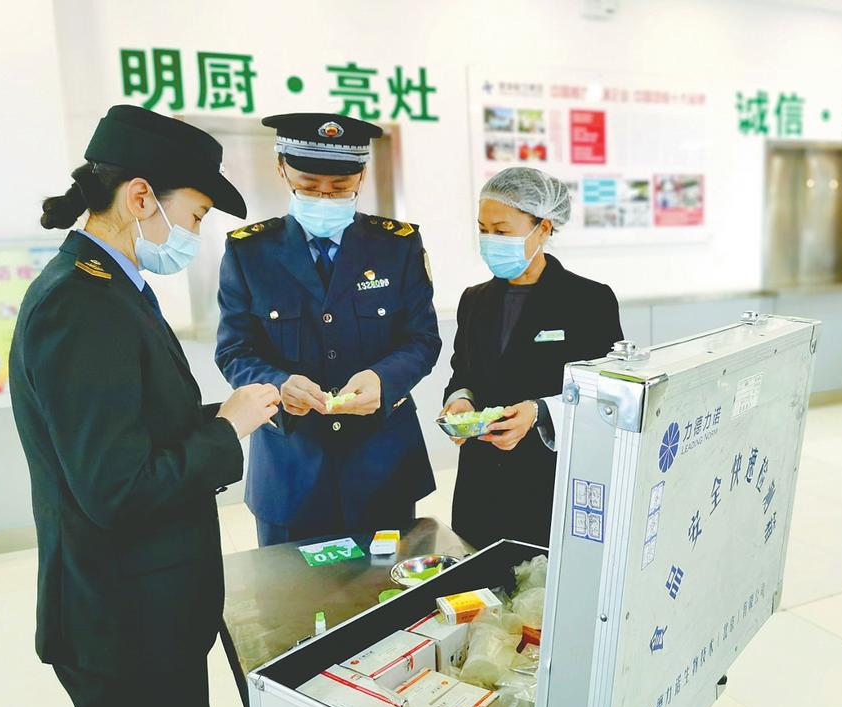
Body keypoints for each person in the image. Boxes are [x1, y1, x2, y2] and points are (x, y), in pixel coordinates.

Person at [9, 105, 281, 707]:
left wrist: (234, 411)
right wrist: (226, 432)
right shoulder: (81, 304)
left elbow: (134, 427)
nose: (195, 233)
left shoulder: (113, 288)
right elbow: (117, 487)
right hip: (122, 625)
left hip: (148, 612)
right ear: (140, 198)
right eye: (196, 215)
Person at [216, 113, 441, 547]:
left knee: (388, 583)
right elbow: (234, 350)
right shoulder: (250, 252)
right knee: (290, 589)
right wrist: (279, 386)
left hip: (383, 464)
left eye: (339, 188)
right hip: (291, 469)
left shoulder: (397, 245)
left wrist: (383, 380)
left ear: (362, 176)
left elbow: (422, 339)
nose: (324, 197)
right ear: (281, 169)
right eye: (308, 185)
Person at [443, 167, 624, 549]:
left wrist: (539, 412)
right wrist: (460, 400)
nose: (490, 241)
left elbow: (607, 392)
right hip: (480, 484)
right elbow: (463, 372)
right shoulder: (474, 300)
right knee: (478, 577)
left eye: (502, 231)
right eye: (483, 229)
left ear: (543, 228)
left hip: (547, 480)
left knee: (539, 580)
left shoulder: (589, 301)